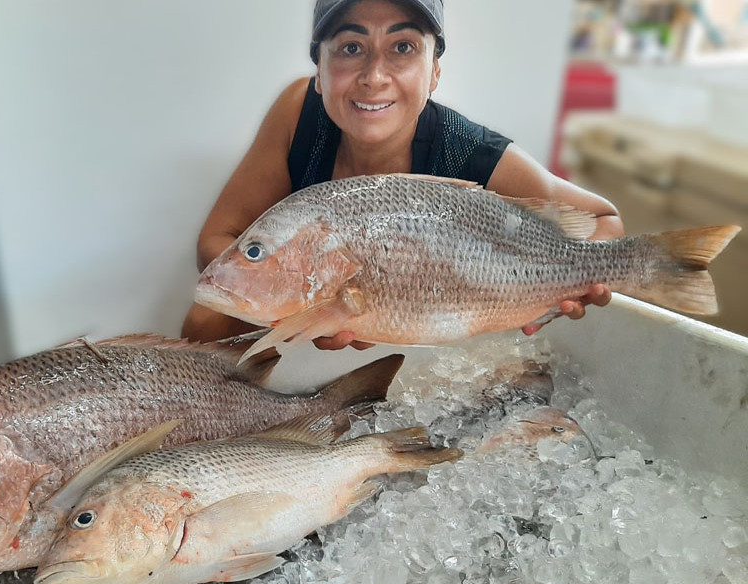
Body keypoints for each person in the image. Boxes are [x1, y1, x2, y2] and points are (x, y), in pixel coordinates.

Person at [181, 0, 623, 349]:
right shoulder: (299, 113)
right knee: (207, 315)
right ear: (319, 70)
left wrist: (566, 286)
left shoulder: (472, 151)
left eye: (403, 47)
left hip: (437, 338)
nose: (374, 76)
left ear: (434, 71)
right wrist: (302, 313)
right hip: (323, 322)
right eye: (351, 47)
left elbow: (605, 219)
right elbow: (217, 242)